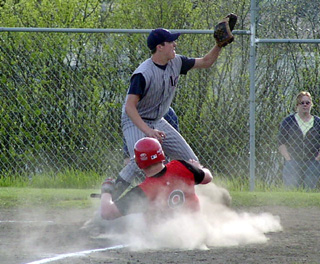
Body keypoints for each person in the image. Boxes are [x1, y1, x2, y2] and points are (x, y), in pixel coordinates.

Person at [112, 27, 228, 199]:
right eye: (171, 41)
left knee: (191, 160)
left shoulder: (177, 62)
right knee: (139, 162)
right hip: (136, 119)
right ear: (160, 47)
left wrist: (218, 45)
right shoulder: (143, 73)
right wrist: (148, 131)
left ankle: (182, 202)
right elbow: (130, 107)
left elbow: (206, 61)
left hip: (158, 120)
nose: (175, 44)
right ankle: (110, 201)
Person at [100, 137, 213, 222]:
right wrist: (198, 168)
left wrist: (106, 190)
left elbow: (107, 213)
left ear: (139, 163)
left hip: (165, 237)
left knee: (139, 218)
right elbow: (208, 178)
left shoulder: (143, 190)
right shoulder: (181, 166)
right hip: (197, 228)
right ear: (161, 154)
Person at [278, 91, 320, 189]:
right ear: (297, 105)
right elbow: (281, 143)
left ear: (311, 104)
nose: (305, 105)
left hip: (312, 161)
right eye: (302, 103)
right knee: (290, 190)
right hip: (293, 161)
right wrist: (288, 158)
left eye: (307, 103)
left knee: (309, 189)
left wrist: (317, 159)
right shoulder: (288, 121)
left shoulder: (318, 122)